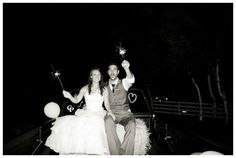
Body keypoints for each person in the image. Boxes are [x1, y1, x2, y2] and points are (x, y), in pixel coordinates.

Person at [45, 68, 116, 155]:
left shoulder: (104, 89)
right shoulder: (85, 88)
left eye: (98, 75)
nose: (97, 76)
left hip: (99, 113)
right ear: (91, 77)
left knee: (97, 127)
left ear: (101, 77)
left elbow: (107, 104)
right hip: (87, 112)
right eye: (94, 74)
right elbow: (77, 100)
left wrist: (110, 112)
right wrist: (69, 96)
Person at [104, 60, 136, 155]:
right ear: (107, 72)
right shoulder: (104, 86)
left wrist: (127, 68)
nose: (112, 71)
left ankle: (126, 153)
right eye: (110, 69)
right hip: (112, 113)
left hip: (125, 113)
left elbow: (131, 79)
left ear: (118, 72)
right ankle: (115, 153)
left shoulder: (124, 83)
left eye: (115, 69)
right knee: (107, 121)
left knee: (132, 125)